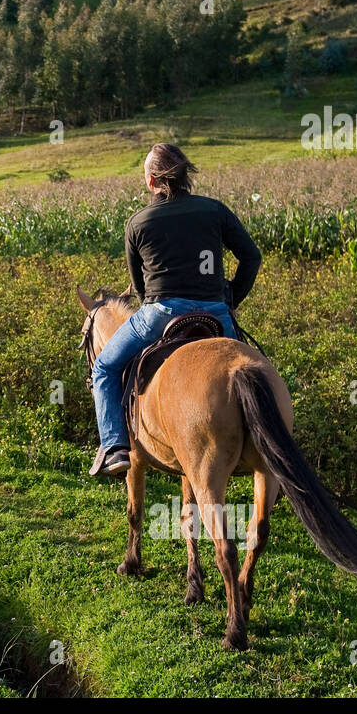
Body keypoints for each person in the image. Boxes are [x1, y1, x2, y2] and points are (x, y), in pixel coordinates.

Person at [89, 142, 261, 477]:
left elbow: (139, 288)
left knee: (105, 370)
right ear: (185, 177)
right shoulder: (214, 211)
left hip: (161, 313)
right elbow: (251, 258)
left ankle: (114, 448)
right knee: (252, 373)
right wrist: (230, 299)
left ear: (152, 182)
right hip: (216, 314)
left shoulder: (138, 223)